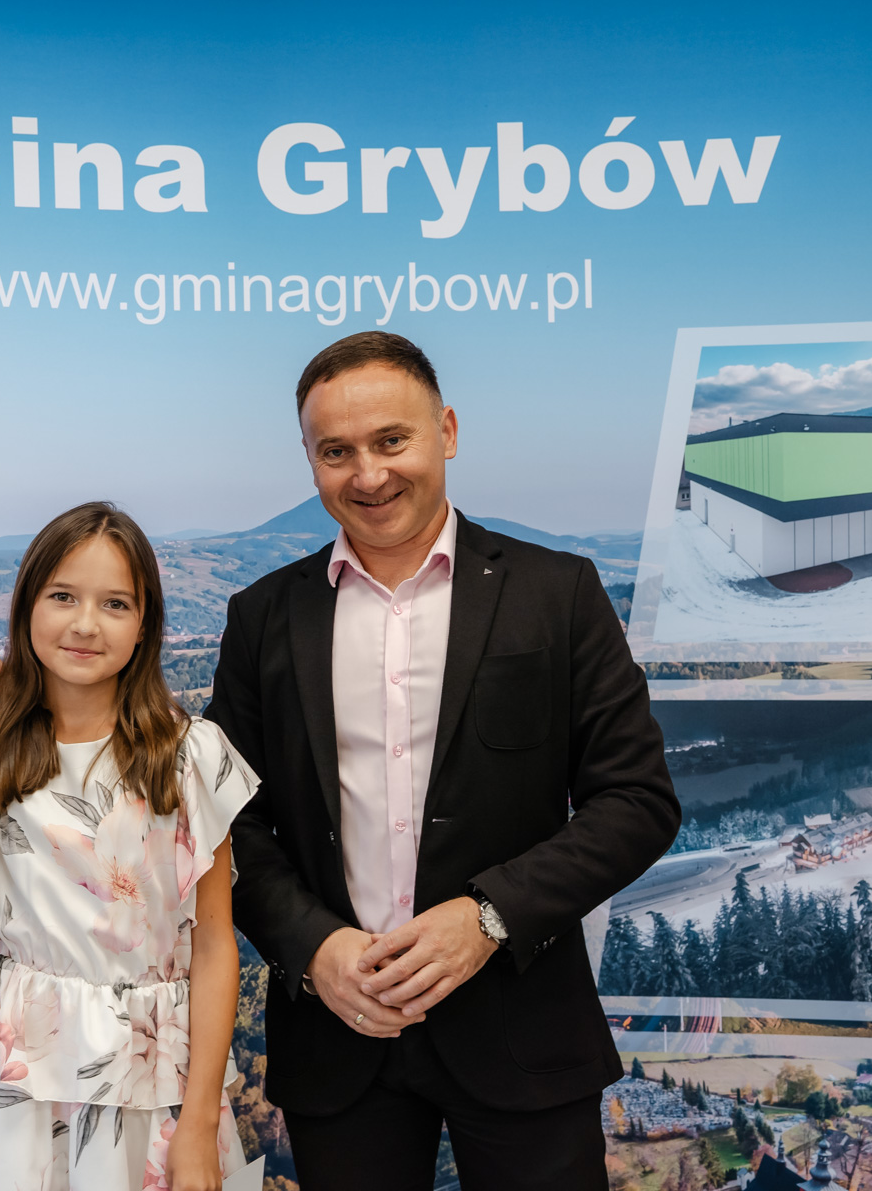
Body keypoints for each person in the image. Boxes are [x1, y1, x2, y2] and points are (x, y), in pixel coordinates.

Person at [205, 332, 680, 1190]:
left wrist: (488, 917)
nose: (369, 475)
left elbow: (637, 801)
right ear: (310, 459)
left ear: (447, 431)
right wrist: (314, 947)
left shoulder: (558, 592)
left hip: (523, 1028)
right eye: (336, 452)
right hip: (339, 1035)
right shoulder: (261, 616)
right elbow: (228, 820)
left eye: (393, 440)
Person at [0, 502, 256, 1191]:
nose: (85, 623)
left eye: (115, 604)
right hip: (26, 1086)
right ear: (27, 610)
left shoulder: (191, 755)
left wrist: (197, 1126)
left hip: (154, 1085)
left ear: (144, 626)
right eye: (63, 596)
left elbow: (217, 948)